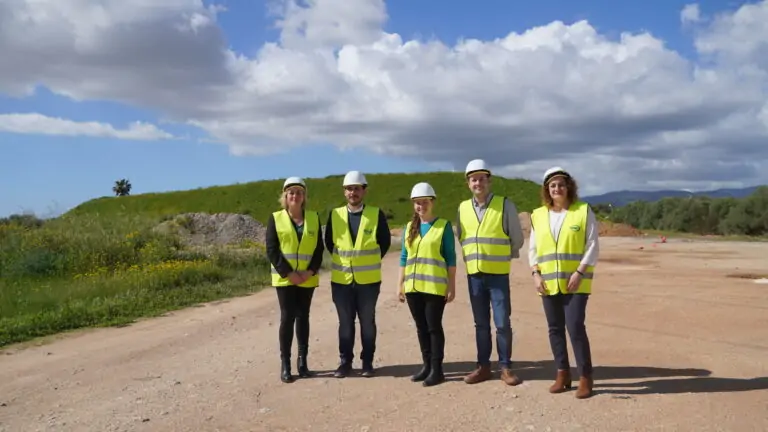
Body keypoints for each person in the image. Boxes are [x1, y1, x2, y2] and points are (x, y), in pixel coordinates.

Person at [528, 166, 599, 399]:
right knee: (555, 329)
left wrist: (579, 272)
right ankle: (562, 374)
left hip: (576, 282)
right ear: (547, 190)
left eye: (560, 184)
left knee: (575, 327)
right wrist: (535, 274)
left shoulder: (582, 211)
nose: (557, 188)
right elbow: (533, 249)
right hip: (548, 282)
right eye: (552, 185)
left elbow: (592, 245)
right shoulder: (538, 215)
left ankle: (585, 378)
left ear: (568, 186)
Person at [456, 159, 526, 386]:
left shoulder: (505, 205)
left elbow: (517, 238)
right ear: (468, 183)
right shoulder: (462, 208)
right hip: (474, 274)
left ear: (489, 181)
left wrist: (505, 256)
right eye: (473, 179)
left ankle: (505, 367)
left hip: (497, 274)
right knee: (481, 324)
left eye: (482, 178)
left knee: (502, 322)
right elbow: (462, 236)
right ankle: (483, 366)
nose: (478, 183)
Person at [324, 170, 392, 378]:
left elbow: (385, 242)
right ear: (344, 192)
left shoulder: (375, 214)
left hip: (368, 281)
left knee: (367, 322)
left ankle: (367, 362)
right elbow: (329, 242)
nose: (353, 192)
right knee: (345, 323)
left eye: (356, 188)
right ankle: (345, 362)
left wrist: (367, 261)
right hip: (342, 280)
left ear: (364, 191)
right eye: (349, 189)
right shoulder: (335, 215)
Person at [396, 182, 457, 387]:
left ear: (432, 202)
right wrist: (400, 285)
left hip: (434, 288)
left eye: (424, 202)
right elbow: (404, 257)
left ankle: (437, 370)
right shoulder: (408, 228)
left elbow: (450, 258)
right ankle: (426, 366)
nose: (421, 206)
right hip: (413, 288)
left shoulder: (443, 226)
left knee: (433, 328)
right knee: (421, 328)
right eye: (417, 203)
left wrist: (452, 285)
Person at [265, 177, 324, 383]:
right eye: (291, 192)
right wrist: (289, 273)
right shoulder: (276, 218)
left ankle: (303, 362)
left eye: (299, 192)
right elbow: (272, 250)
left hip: (307, 278)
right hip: (285, 279)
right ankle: (286, 365)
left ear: (304, 196)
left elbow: (318, 249)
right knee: (287, 318)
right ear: (285, 196)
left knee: (303, 317)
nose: (295, 196)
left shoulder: (314, 218)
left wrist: (310, 271)